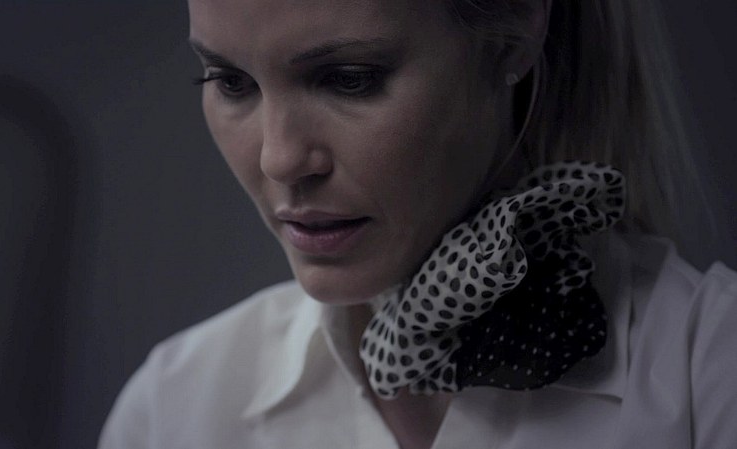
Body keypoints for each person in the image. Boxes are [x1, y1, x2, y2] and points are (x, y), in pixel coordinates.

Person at [98, 0, 737, 448]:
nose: (279, 159)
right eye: (230, 81)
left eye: (349, 79)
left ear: (513, 37)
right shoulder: (172, 408)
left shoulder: (711, 373)